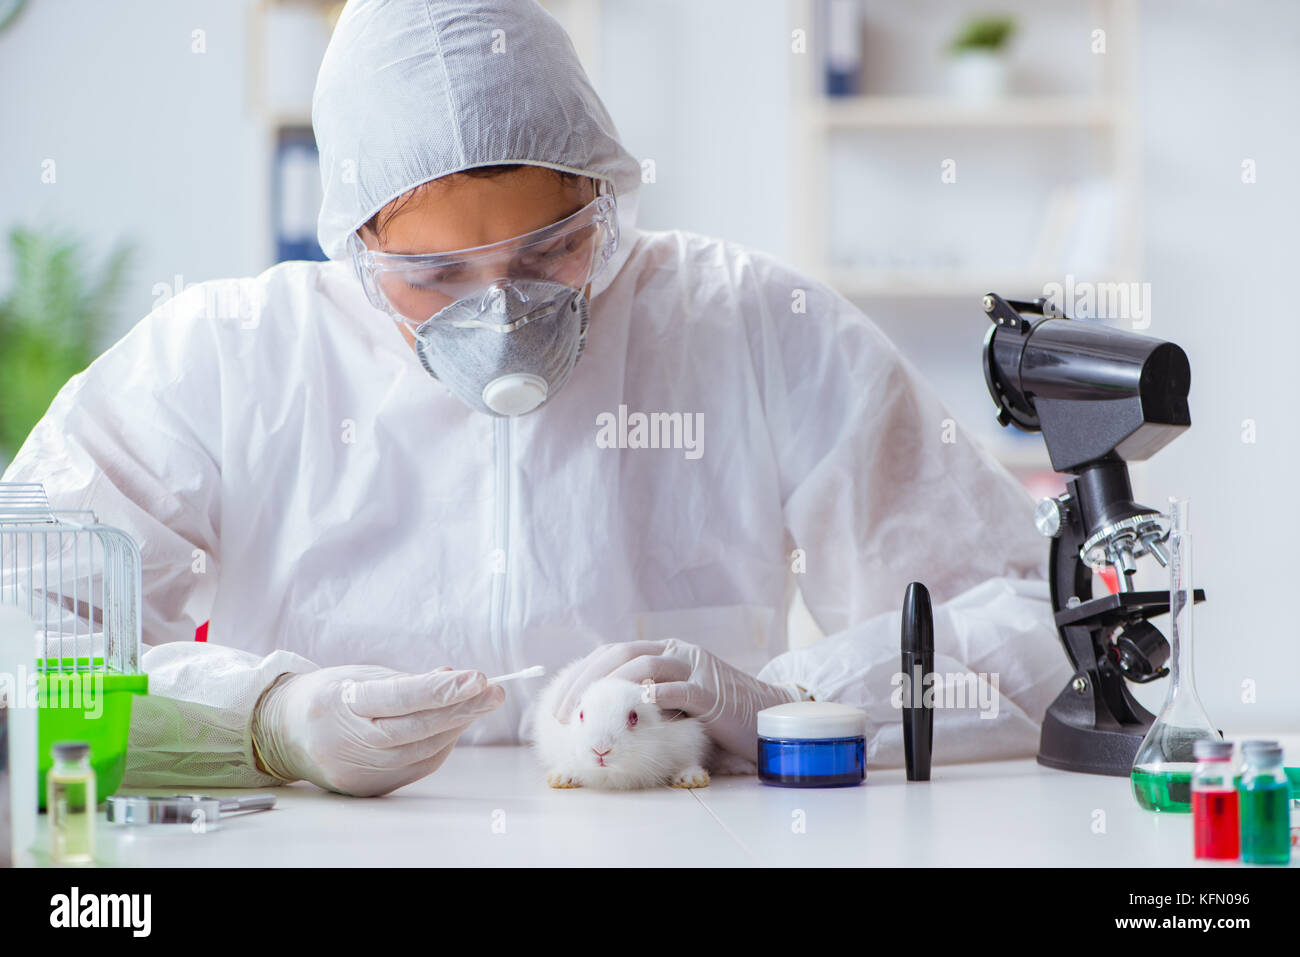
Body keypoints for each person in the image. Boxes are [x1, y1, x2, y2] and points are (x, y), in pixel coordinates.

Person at [0, 0, 1069, 797]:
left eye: (550, 250)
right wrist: (263, 718)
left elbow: (1040, 629)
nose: (501, 314)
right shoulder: (232, 358)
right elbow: (22, 617)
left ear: (604, 196)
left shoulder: (750, 327)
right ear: (355, 246)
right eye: (435, 278)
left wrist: (782, 706)